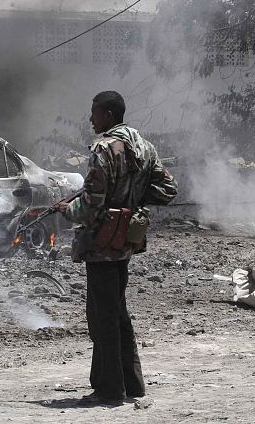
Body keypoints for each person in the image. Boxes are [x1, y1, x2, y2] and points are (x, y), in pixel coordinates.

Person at [56, 91, 177, 405]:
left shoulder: (104, 148)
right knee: (118, 311)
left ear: (108, 114)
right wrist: (130, 203)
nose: (90, 119)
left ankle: (109, 389)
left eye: (94, 112)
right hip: (126, 241)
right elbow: (167, 190)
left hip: (101, 243)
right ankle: (132, 384)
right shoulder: (143, 147)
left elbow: (92, 202)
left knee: (102, 317)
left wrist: (67, 210)